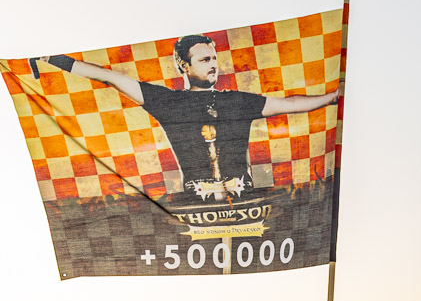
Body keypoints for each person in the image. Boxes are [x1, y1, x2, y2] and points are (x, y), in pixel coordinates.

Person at [38, 34, 339, 201]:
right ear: (184, 64)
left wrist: (332, 96)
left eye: (214, 59)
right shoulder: (168, 102)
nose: (213, 65)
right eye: (205, 59)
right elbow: (109, 77)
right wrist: (52, 59)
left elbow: (290, 104)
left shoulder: (236, 101)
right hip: (196, 202)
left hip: (244, 199)